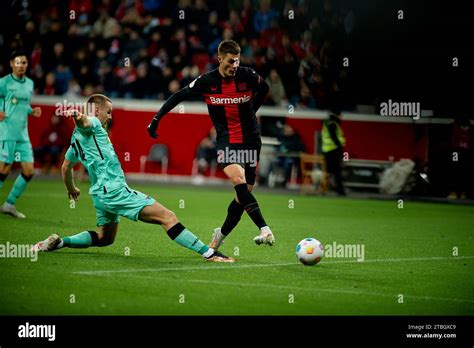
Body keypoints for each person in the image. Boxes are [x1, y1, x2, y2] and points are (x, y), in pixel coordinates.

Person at [32, 94, 233, 263]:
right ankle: (210, 253)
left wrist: (71, 188)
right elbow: (83, 121)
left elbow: (66, 166)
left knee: (104, 238)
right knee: (168, 216)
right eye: (108, 112)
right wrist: (76, 115)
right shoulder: (92, 124)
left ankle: (60, 242)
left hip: (99, 196)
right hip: (115, 191)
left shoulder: (75, 141)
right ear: (96, 111)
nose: (110, 117)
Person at [147, 40, 275, 251]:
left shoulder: (247, 76)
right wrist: (156, 119)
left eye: (237, 60)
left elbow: (265, 88)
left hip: (251, 139)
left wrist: (252, 109)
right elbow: (178, 96)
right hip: (226, 140)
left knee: (242, 197)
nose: (235, 65)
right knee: (238, 179)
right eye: (231, 61)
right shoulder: (207, 81)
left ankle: (220, 235)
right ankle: (264, 228)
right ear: (219, 59)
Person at [0, 51, 42, 218]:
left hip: (23, 135)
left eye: (24, 63)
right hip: (7, 131)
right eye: (18, 62)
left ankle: (9, 204)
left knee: (29, 171)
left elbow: (23, 105)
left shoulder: (29, 84)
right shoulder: (4, 82)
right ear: (12, 64)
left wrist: (32, 111)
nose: (22, 65)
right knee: (3, 168)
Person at [321, 108, 346, 196]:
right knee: (337, 171)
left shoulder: (327, 122)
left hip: (327, 150)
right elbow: (334, 136)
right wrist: (340, 146)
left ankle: (325, 189)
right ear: (337, 115)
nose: (341, 117)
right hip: (333, 150)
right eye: (340, 115)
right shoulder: (333, 123)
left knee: (329, 172)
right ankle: (340, 190)